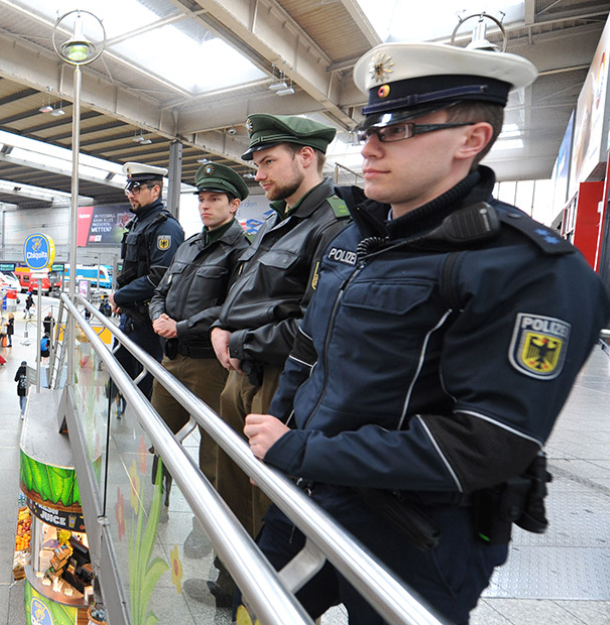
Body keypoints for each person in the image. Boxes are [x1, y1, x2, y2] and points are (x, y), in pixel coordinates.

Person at [242, 41, 610, 624]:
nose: (370, 146)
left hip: (417, 536)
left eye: (400, 128)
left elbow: (485, 442)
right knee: (260, 612)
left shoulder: (533, 271)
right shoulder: (355, 242)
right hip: (308, 499)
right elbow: (310, 352)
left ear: (472, 139)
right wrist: (284, 430)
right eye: (369, 128)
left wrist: (304, 448)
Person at [201, 113, 351, 603]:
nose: (259, 174)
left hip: (279, 384)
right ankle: (232, 583)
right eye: (257, 164)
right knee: (230, 488)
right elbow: (249, 292)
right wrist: (224, 325)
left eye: (268, 162)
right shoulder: (277, 221)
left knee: (269, 500)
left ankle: (264, 598)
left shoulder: (333, 226)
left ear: (306, 157)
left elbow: (317, 327)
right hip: (242, 377)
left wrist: (239, 342)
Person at [148, 161, 250, 561]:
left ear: (235, 204)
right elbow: (161, 288)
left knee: (213, 455)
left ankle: (202, 530)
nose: (205, 206)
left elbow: (232, 306)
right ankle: (155, 503)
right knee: (158, 438)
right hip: (172, 360)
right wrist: (158, 315)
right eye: (202, 199)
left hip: (210, 364)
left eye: (214, 200)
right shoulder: (190, 244)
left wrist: (184, 326)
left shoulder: (241, 250)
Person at [109, 161, 185, 400]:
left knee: (145, 394)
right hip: (129, 320)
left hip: (148, 327)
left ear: (155, 190)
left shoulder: (166, 228)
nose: (130, 194)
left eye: (137, 188)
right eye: (129, 188)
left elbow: (158, 278)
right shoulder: (137, 224)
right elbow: (131, 271)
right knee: (117, 386)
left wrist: (119, 296)